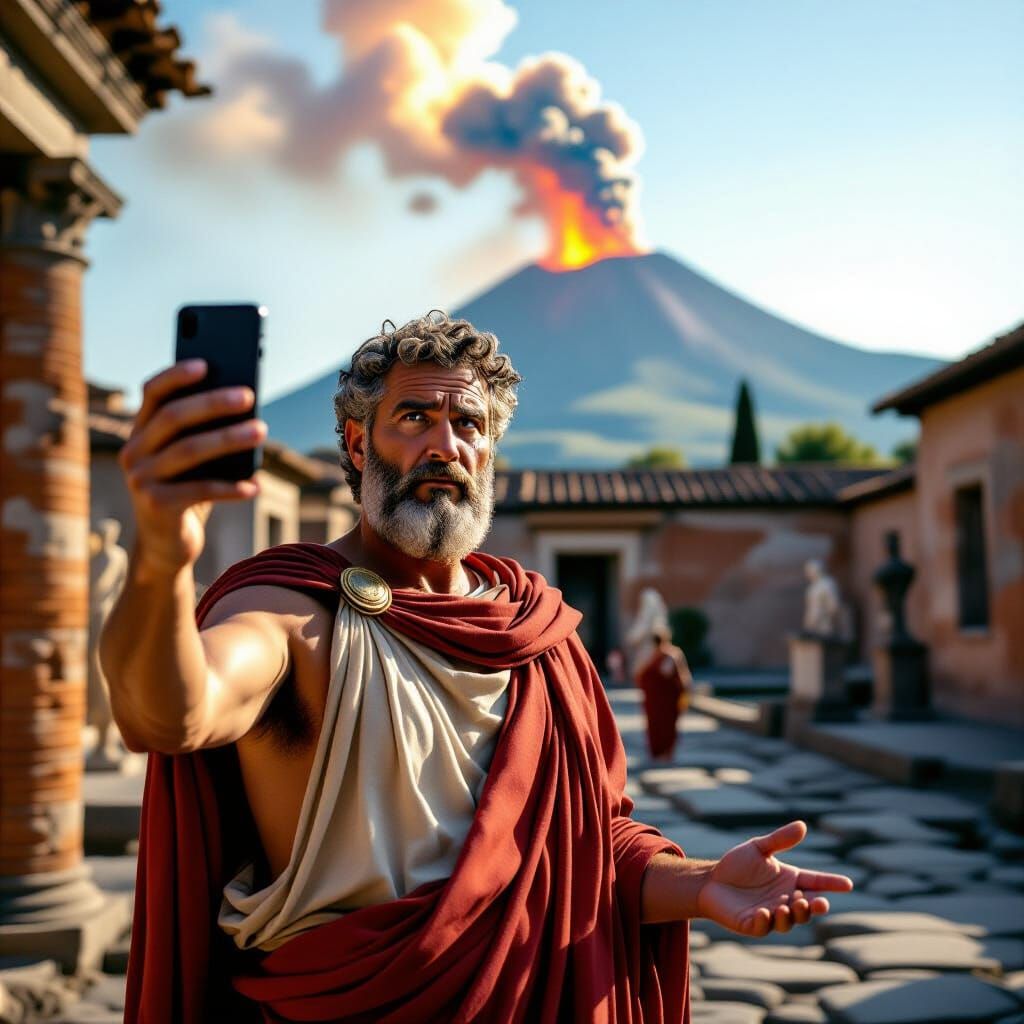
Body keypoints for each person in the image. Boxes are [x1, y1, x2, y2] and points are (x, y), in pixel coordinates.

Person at [101, 311, 853, 1023]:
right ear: (358, 446)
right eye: (414, 419)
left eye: (468, 424)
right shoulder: (291, 613)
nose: (445, 446)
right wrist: (163, 552)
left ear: (490, 451)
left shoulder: (537, 633)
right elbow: (169, 712)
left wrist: (701, 884)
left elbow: (585, 858)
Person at [637, 625, 691, 763]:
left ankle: (665, 753)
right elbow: (684, 679)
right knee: (663, 726)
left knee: (665, 726)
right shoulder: (659, 655)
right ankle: (664, 753)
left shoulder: (668, 655)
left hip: (666, 699)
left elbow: (645, 676)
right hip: (662, 700)